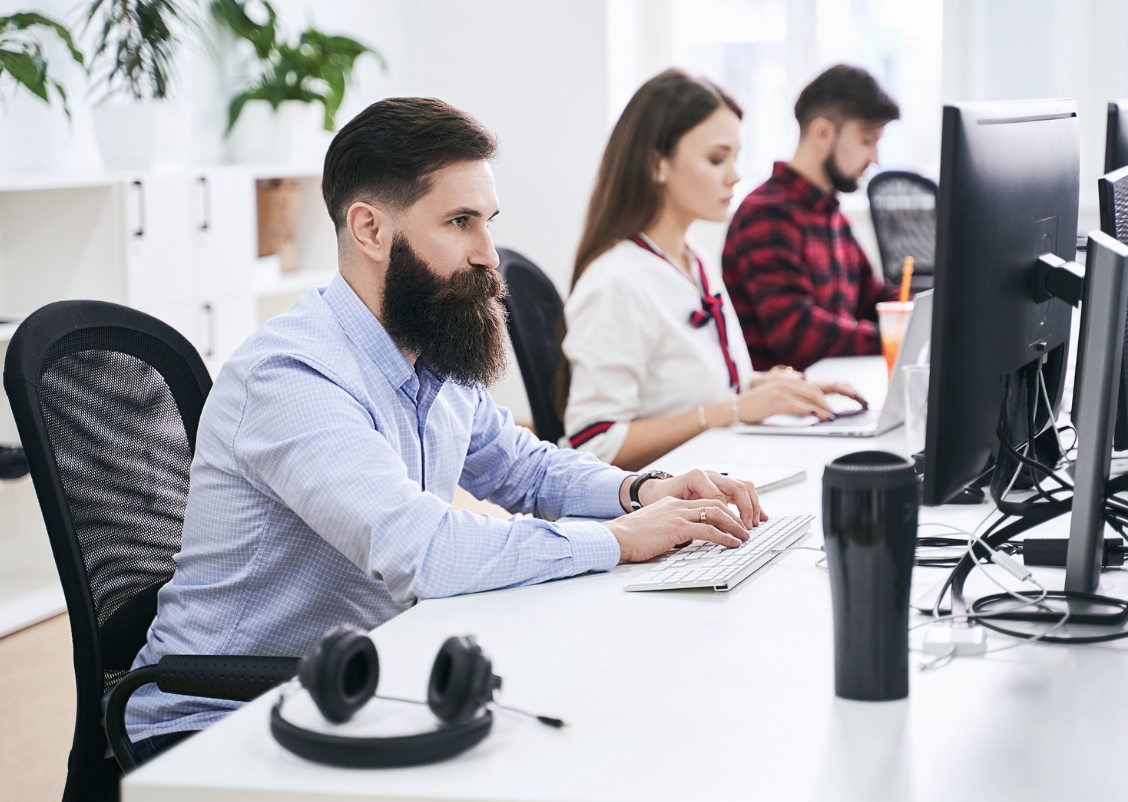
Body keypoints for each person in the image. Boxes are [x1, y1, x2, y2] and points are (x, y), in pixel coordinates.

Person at [123, 97, 766, 759]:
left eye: (487, 222)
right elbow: (425, 553)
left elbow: (523, 466)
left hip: (353, 687)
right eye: (460, 222)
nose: (489, 254)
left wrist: (642, 492)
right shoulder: (291, 376)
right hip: (219, 723)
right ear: (370, 229)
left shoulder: (429, 346)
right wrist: (618, 539)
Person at [560, 69, 864, 471]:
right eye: (716, 158)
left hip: (713, 474)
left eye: (736, 158)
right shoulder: (616, 282)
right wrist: (733, 410)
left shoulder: (692, 258)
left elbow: (694, 386)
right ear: (657, 165)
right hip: (658, 509)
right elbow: (593, 446)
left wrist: (780, 388)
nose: (735, 175)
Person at [722, 64, 903, 370]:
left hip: (829, 392)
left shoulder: (830, 213)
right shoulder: (766, 214)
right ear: (823, 133)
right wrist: (892, 337)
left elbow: (870, 296)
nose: (875, 158)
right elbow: (796, 331)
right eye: (866, 140)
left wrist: (930, 313)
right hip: (784, 409)